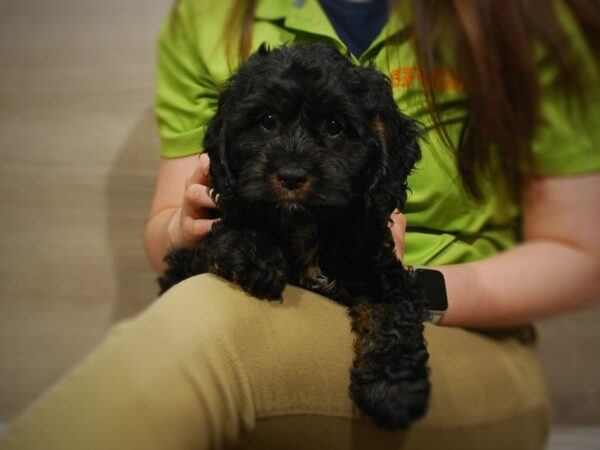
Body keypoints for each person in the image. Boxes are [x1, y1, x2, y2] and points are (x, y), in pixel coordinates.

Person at [1, 0, 599, 449]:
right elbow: (167, 240)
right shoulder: (213, 14)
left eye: (336, 132)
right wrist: (185, 230)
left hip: (467, 342)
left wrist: (411, 285)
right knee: (205, 308)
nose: (290, 162)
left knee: (209, 322)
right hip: (245, 302)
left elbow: (584, 254)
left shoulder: (522, 16)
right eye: (262, 127)